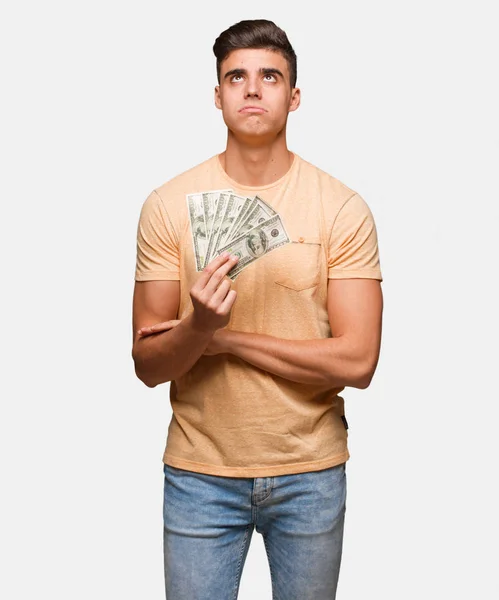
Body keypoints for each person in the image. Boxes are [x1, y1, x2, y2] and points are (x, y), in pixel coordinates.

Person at [132, 18, 383, 600]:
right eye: (236, 76)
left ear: (293, 97)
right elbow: (147, 365)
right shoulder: (168, 206)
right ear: (217, 95)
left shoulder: (342, 209)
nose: (252, 88)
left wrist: (220, 337)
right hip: (199, 474)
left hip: (311, 473)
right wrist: (199, 326)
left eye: (269, 76)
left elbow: (359, 363)